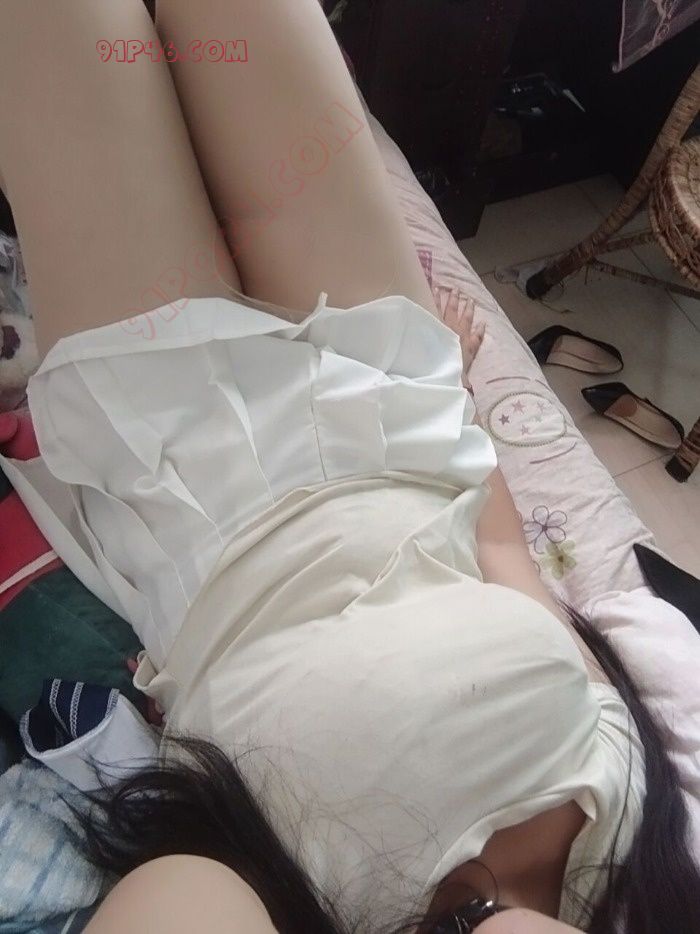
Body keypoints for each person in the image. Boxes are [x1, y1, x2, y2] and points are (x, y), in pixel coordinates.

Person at [0, 2, 697, 933]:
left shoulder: (334, 913)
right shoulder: (629, 822)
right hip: (390, 396)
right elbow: (502, 555)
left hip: (187, 466)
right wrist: (456, 392)